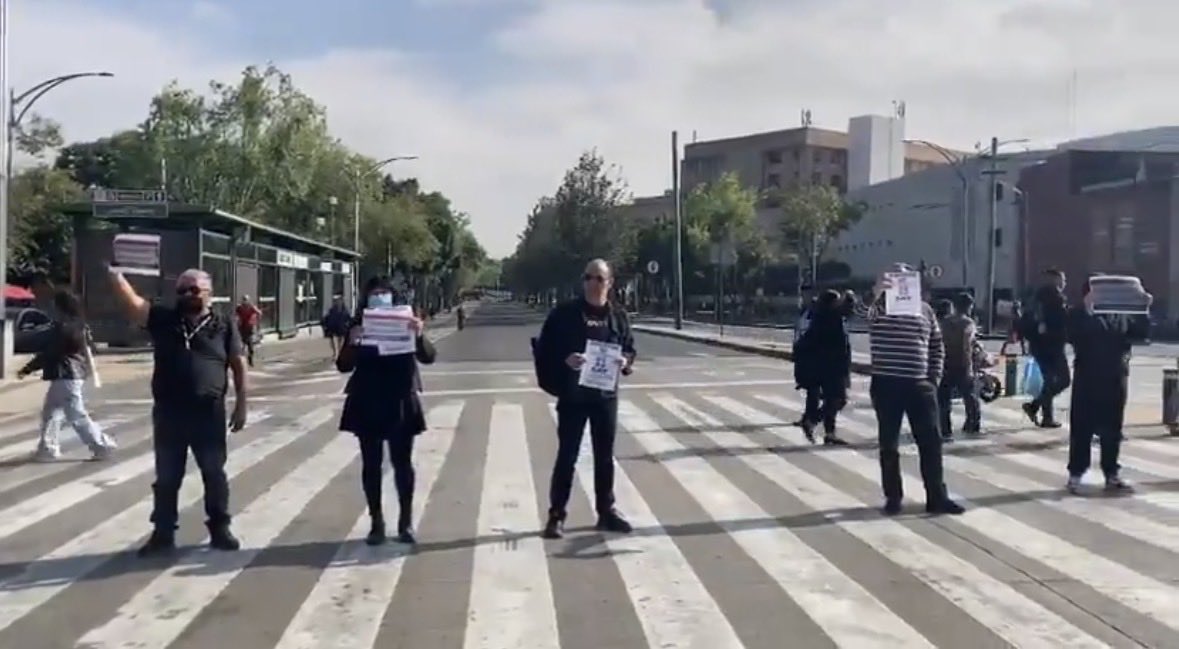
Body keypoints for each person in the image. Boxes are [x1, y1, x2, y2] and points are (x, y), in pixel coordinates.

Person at [109, 267, 248, 556]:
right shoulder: (164, 319)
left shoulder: (223, 323)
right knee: (168, 476)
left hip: (208, 413)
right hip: (169, 412)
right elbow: (135, 306)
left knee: (213, 472)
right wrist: (116, 277)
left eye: (194, 289)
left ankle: (220, 529)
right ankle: (162, 533)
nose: (187, 295)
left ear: (208, 292)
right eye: (182, 290)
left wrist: (242, 402)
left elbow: (237, 362)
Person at [536, 259, 636, 539]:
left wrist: (625, 362)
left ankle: (606, 511)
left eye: (599, 279)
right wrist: (564, 360)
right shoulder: (565, 314)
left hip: (605, 396)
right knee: (567, 456)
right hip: (573, 396)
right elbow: (544, 350)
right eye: (588, 278)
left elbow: (629, 349)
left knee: (605, 457)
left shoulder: (618, 316)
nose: (593, 283)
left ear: (609, 283)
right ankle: (556, 515)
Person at [337, 277, 436, 545]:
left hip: (401, 398)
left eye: (384, 293)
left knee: (402, 463)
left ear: (394, 297)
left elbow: (428, 356)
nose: (379, 297)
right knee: (371, 464)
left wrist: (419, 334)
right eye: (374, 293)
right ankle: (376, 522)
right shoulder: (359, 325)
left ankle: (405, 523)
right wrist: (352, 342)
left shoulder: (406, 320)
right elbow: (343, 366)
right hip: (367, 398)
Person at [864, 264, 964, 516]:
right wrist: (876, 292)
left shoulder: (925, 310)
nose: (900, 282)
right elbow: (862, 314)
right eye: (894, 276)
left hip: (920, 385)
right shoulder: (879, 308)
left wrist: (933, 378)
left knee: (931, 442)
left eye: (905, 276)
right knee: (889, 443)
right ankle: (893, 497)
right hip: (886, 383)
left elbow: (936, 345)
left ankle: (937, 497)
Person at [1064, 278, 1150, 494]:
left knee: (1112, 428)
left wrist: (1144, 309)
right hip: (1088, 378)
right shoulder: (1078, 313)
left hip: (1115, 377)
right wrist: (1088, 309)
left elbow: (1140, 335)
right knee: (1082, 427)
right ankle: (1076, 473)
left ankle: (1111, 473)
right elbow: (1073, 335)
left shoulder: (1121, 313)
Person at [17, 290, 116, 461]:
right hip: (70, 375)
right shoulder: (77, 325)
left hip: (65, 375)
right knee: (51, 413)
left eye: (54, 305)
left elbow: (50, 353)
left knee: (75, 414)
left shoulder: (62, 328)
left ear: (60, 307)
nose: (51, 308)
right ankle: (47, 448)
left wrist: (27, 369)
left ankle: (101, 445)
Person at [792, 289, 851, 445]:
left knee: (832, 399)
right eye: (837, 300)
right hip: (832, 368)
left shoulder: (821, 317)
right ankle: (812, 420)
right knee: (838, 400)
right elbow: (841, 346)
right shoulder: (833, 318)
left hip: (823, 368)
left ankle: (829, 433)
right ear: (831, 303)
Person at [1021, 268, 1070, 427]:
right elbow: (1061, 321)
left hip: (1038, 346)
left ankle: (1046, 417)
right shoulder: (1055, 298)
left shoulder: (1035, 298)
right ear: (1055, 280)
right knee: (1064, 380)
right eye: (1062, 279)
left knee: (1049, 381)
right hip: (1053, 346)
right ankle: (1035, 406)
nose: (1064, 283)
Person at [936, 293, 982, 440]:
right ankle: (972, 425)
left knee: (944, 399)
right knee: (970, 397)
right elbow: (967, 345)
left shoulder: (944, 322)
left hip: (945, 363)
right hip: (962, 364)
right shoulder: (968, 323)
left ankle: (945, 428)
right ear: (969, 307)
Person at [234, 295, 262, 366]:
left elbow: (259, 313)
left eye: (246, 300)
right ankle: (240, 361)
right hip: (241, 328)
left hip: (249, 329)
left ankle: (250, 359)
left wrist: (255, 321)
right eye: (244, 300)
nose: (245, 301)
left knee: (250, 346)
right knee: (241, 346)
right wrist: (237, 320)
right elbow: (235, 315)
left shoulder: (251, 307)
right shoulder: (239, 307)